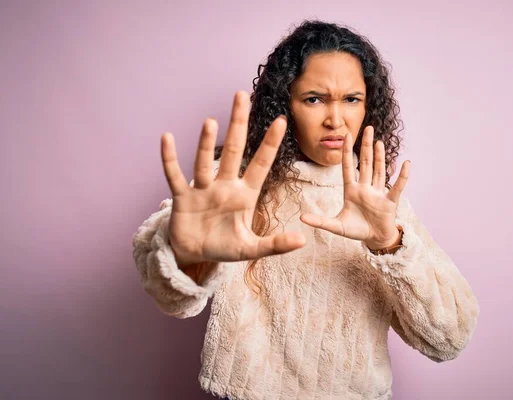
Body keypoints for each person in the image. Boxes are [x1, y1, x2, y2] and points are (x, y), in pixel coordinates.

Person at [132, 20, 479, 400]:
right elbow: (173, 298)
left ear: (369, 106)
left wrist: (389, 243)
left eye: (351, 99)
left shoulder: (378, 201)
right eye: (314, 98)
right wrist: (186, 256)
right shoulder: (236, 185)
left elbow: (448, 339)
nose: (336, 119)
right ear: (285, 104)